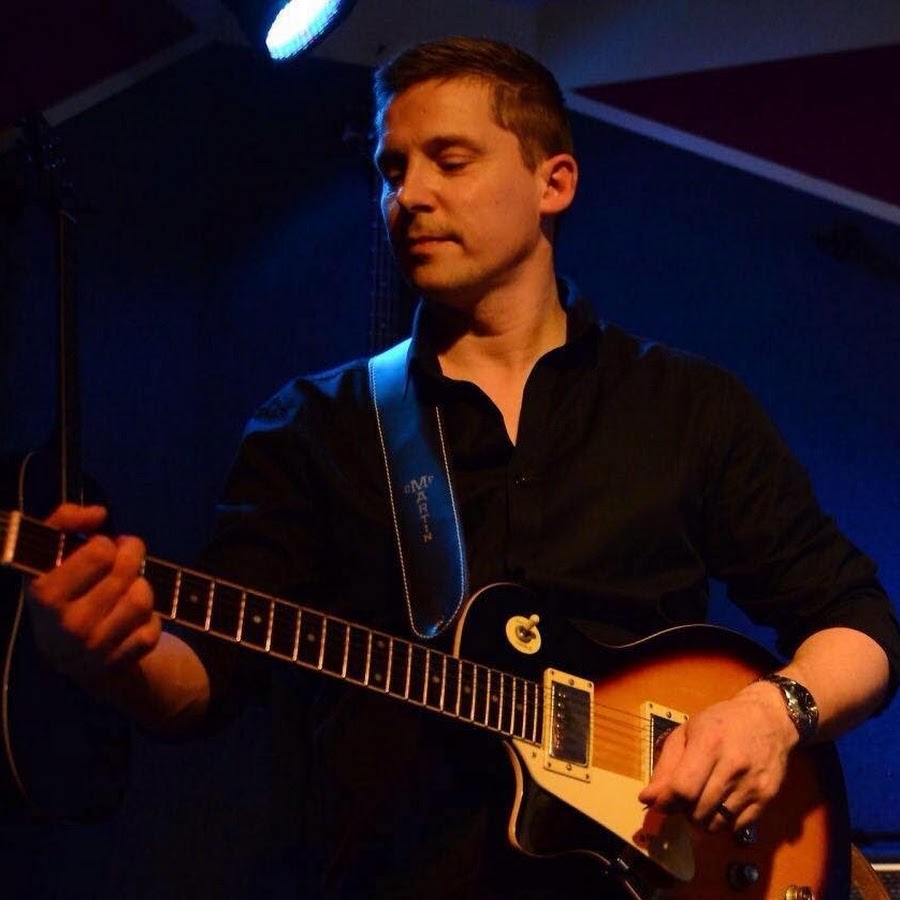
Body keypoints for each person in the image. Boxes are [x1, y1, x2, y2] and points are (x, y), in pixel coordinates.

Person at [24, 36, 900, 899]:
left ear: (554, 182)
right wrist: (106, 656)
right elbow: (205, 683)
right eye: (391, 169)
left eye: (449, 160)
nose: (409, 195)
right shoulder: (312, 427)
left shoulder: (685, 404)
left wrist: (769, 713)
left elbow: (860, 623)